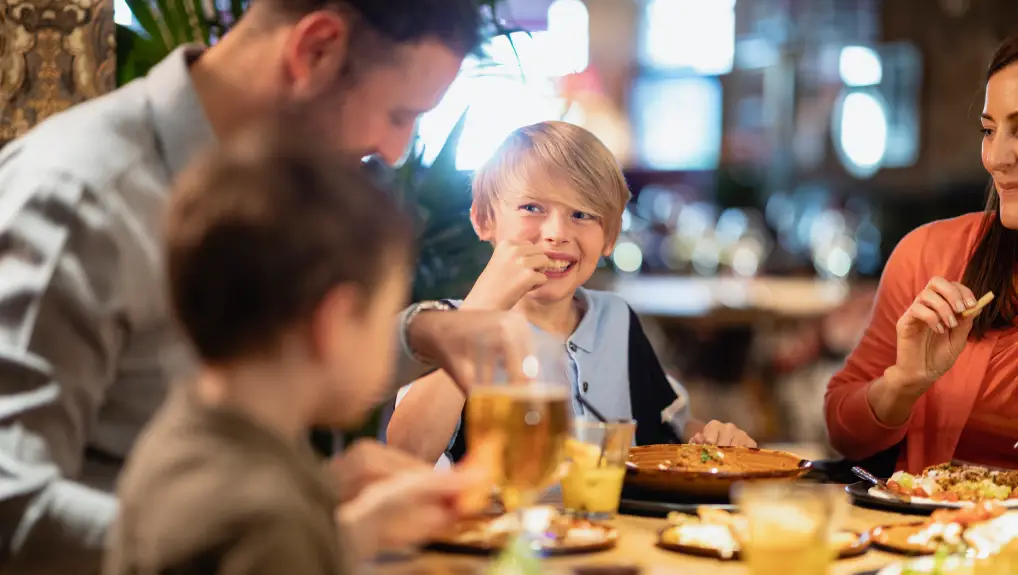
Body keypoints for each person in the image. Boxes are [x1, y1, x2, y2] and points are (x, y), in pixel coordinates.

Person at [0, 1, 529, 571]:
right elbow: (12, 506)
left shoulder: (265, 185)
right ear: (315, 50)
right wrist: (291, 535)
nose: (397, 150)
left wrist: (310, 502)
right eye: (399, 114)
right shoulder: (81, 198)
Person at [103, 126, 488, 575]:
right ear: (336, 323)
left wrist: (349, 531)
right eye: (384, 311)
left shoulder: (189, 432)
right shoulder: (267, 520)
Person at [387, 121, 757, 466]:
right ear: (485, 220)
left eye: (582, 214)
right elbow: (406, 451)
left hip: (613, 533)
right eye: (532, 207)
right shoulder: (445, 326)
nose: (556, 233)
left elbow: (669, 427)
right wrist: (478, 314)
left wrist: (712, 438)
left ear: (609, 237)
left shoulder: (616, 320)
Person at [825, 31, 1018, 473]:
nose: (996, 157)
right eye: (989, 130)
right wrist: (904, 383)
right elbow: (843, 432)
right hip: (935, 535)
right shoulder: (928, 254)